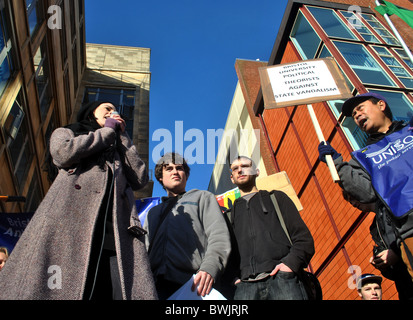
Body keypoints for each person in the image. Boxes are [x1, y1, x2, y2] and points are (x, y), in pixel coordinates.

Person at [0, 101, 157, 300]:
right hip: (68, 225)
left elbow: (139, 179)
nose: (113, 112)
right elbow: (62, 154)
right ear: (92, 113)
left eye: (115, 111)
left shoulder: (118, 149)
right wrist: (107, 131)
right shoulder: (68, 132)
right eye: (107, 109)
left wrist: (122, 137)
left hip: (113, 234)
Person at [318, 92, 413, 281]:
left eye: (360, 108)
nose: (356, 115)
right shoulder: (363, 157)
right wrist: (336, 163)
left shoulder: (410, 130)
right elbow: (366, 193)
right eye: (353, 115)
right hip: (410, 229)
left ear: (381, 105)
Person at [143, 152, 231, 299]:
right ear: (160, 177)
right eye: (169, 169)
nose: (175, 172)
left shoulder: (203, 197)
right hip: (153, 289)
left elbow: (219, 235)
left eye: (179, 168)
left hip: (193, 285)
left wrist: (209, 268)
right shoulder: (152, 213)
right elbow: (144, 249)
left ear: (186, 175)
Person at [227, 155, 315, 300]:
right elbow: (226, 258)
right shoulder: (229, 216)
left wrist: (288, 267)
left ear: (257, 171)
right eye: (235, 169)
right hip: (245, 290)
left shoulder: (276, 198)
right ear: (232, 178)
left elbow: (303, 239)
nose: (240, 171)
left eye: (245, 166)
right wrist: (234, 280)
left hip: (284, 282)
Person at [342, 190, 413, 300]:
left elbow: (408, 233)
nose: (352, 203)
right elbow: (394, 274)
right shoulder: (374, 228)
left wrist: (395, 253)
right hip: (406, 288)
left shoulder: (390, 207)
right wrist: (383, 266)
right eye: (349, 200)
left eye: (353, 197)